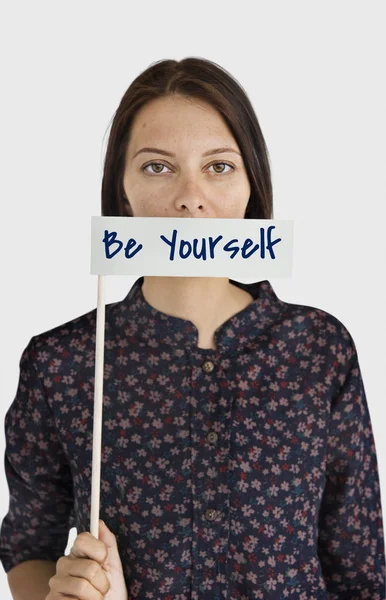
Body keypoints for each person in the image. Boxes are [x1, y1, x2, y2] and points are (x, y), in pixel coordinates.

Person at [0, 57, 385, 600]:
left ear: (253, 183)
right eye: (158, 166)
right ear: (122, 191)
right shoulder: (62, 363)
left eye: (219, 166)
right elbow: (28, 547)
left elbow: (359, 567)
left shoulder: (320, 348)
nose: (189, 197)